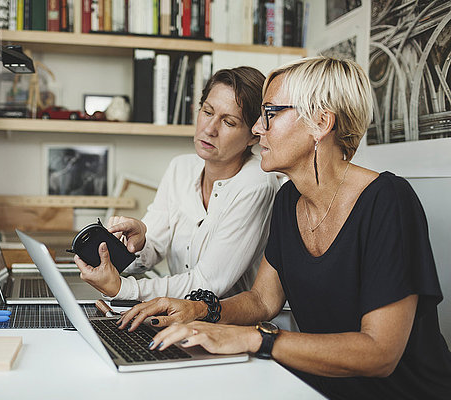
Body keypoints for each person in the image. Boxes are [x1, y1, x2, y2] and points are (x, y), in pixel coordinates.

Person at [117, 57, 451, 399]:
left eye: (271, 113)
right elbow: (263, 299)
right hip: (315, 387)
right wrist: (199, 310)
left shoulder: (388, 201)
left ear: (320, 123)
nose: (258, 128)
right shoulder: (289, 198)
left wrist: (254, 338)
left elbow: (380, 353)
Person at [74, 67, 280, 301]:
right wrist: (137, 243)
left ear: (254, 134)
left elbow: (207, 284)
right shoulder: (180, 168)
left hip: (231, 328)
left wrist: (123, 289)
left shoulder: (257, 184)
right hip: (177, 319)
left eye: (229, 122)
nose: (210, 129)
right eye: (207, 111)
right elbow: (150, 251)